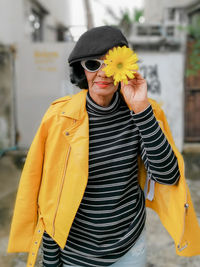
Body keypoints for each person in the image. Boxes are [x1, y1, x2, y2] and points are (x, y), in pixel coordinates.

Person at [7, 26, 200, 267]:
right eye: (93, 64)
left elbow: (168, 176)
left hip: (129, 248)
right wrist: (52, 257)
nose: (103, 73)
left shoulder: (143, 112)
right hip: (76, 253)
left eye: (112, 63)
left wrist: (141, 109)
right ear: (82, 70)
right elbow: (47, 194)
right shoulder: (59, 118)